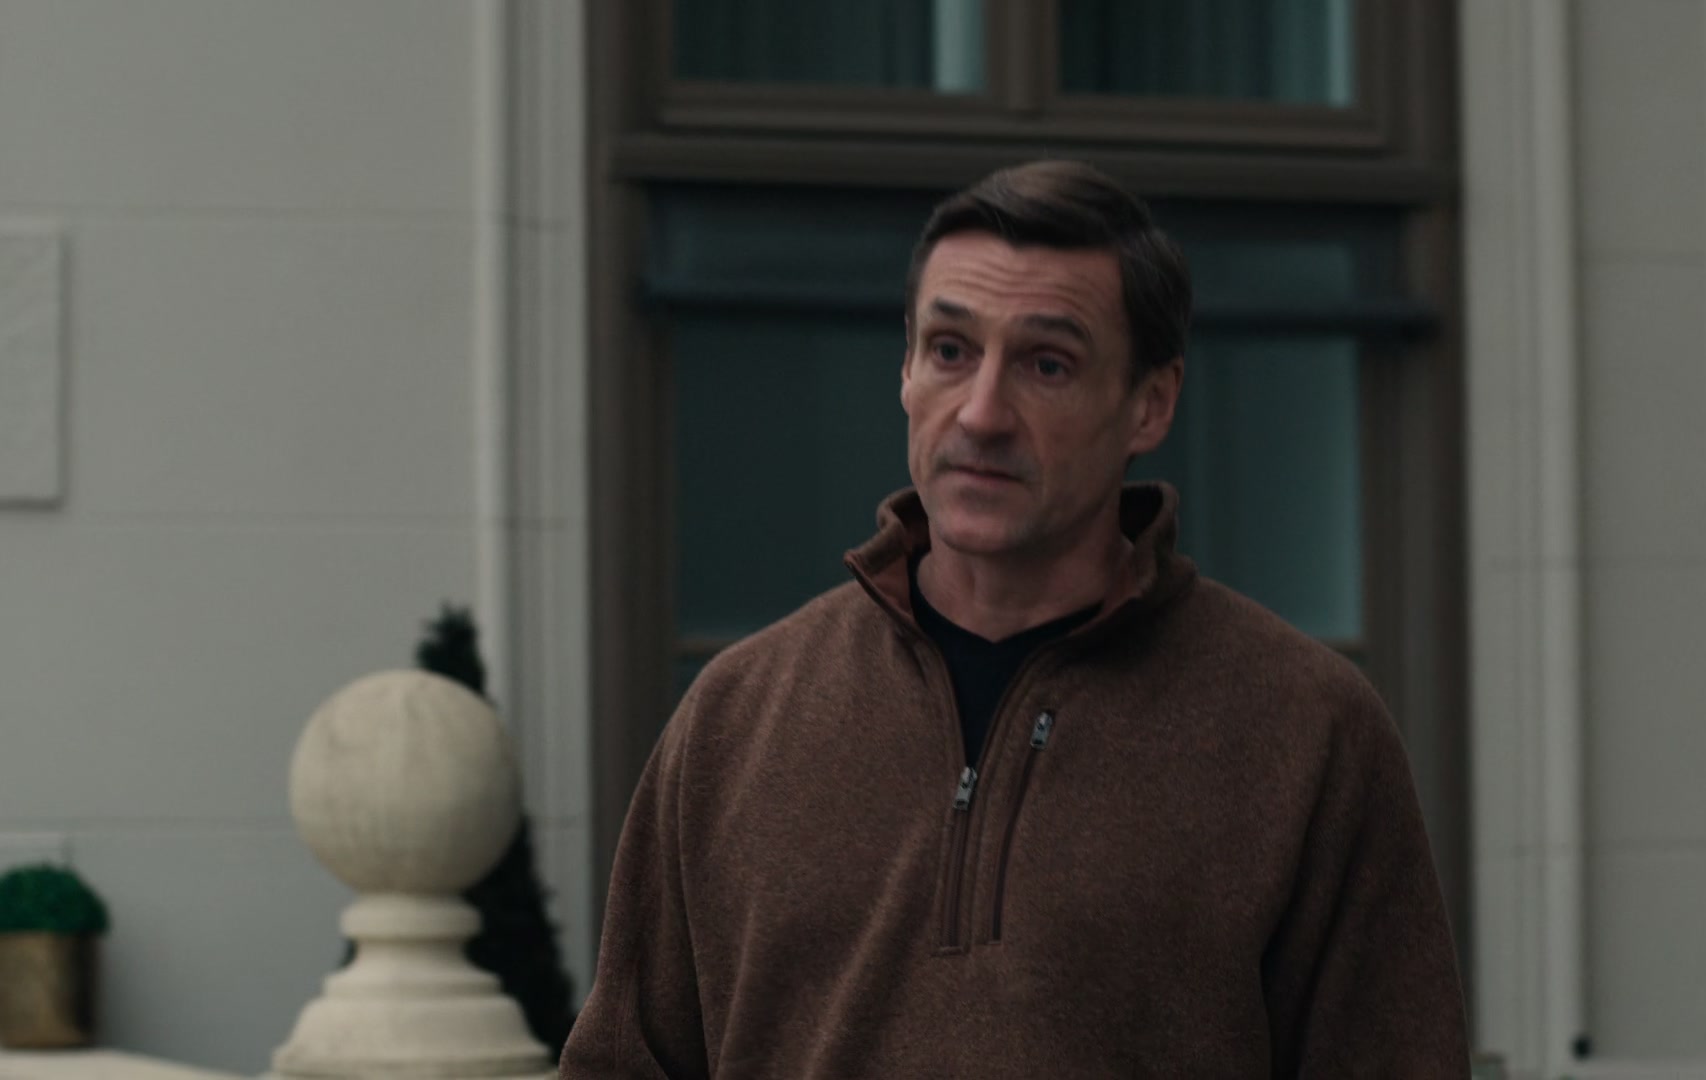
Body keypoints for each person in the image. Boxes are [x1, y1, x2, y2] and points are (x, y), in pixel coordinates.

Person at [561, 160, 1469, 1078]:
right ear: (906, 369)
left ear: (1149, 404)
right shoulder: (737, 720)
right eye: (951, 350)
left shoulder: (1305, 730)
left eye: (1047, 364)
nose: (983, 413)